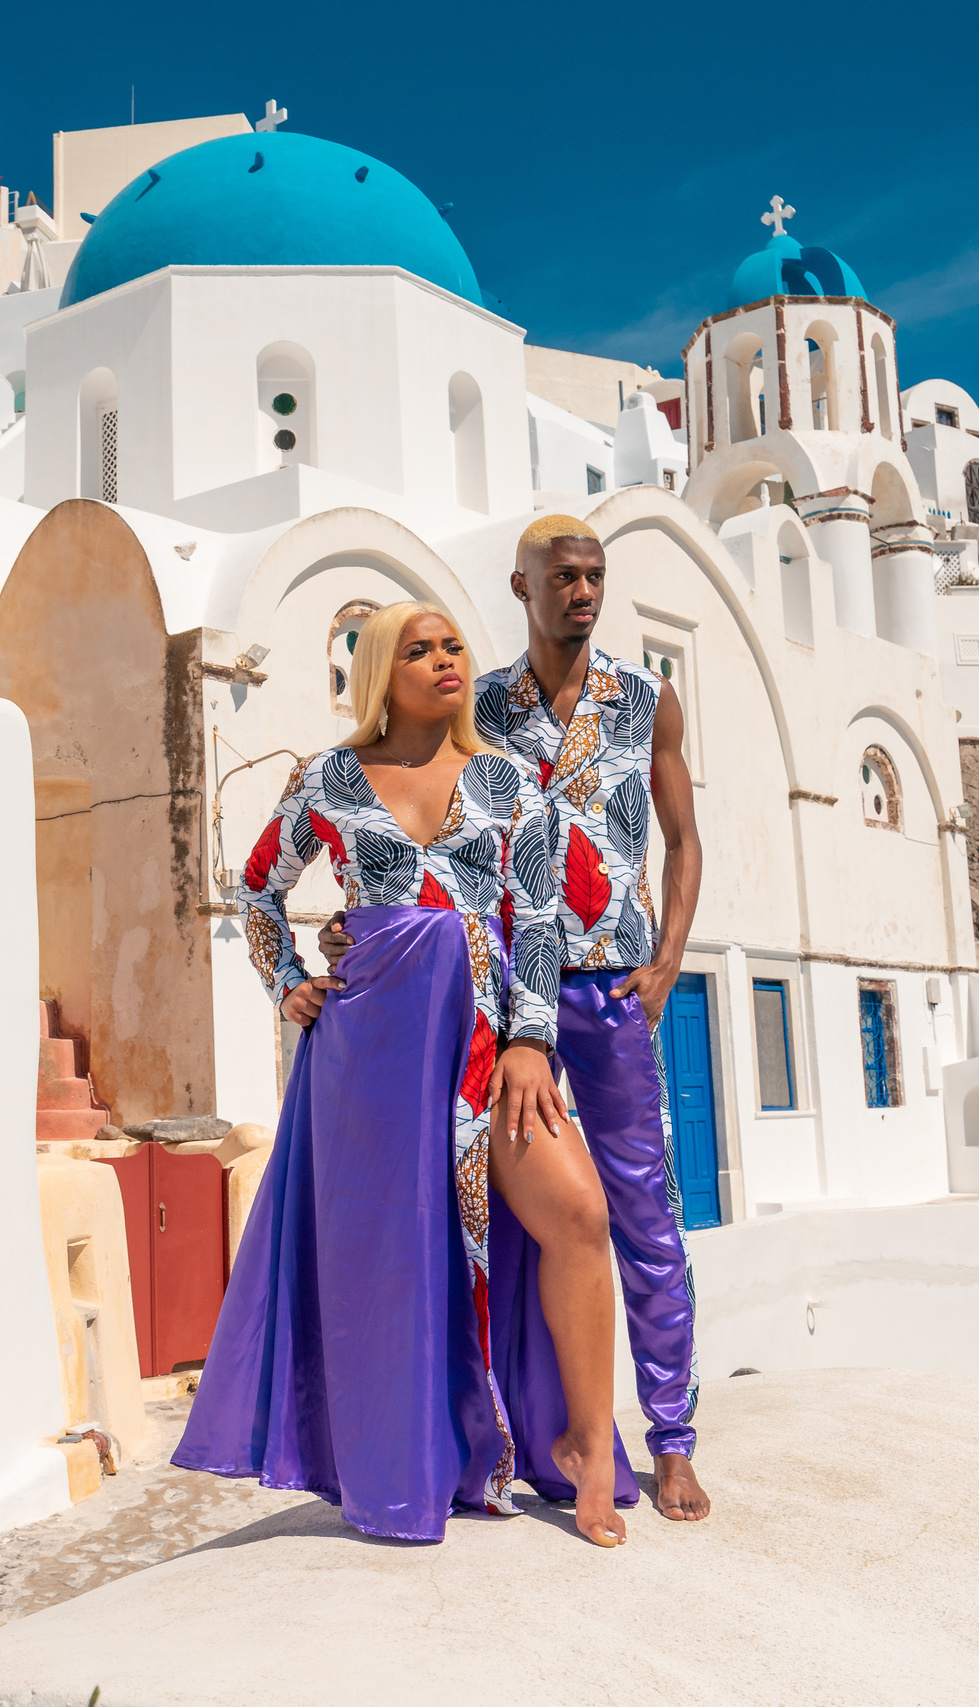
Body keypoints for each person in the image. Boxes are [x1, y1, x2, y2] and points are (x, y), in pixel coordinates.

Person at [174, 600, 637, 1547]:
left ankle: (589, 1446)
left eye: (452, 644)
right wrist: (288, 982)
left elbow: (537, 919)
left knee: (578, 1214)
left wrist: (531, 1039)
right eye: (418, 650)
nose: (443, 660)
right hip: (371, 1052)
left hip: (489, 1042)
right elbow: (258, 884)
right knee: (391, 1265)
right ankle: (398, 1465)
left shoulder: (509, 781)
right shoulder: (329, 778)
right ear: (381, 669)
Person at [330, 516, 713, 1524]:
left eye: (595, 576)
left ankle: (671, 1440)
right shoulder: (478, 703)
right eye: (564, 577)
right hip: (502, 997)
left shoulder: (647, 699)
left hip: (615, 986)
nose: (582, 592)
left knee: (645, 1211)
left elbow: (683, 838)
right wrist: (359, 922)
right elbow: (417, 823)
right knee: (506, 1212)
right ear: (523, 587)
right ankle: (516, 1432)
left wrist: (670, 957)